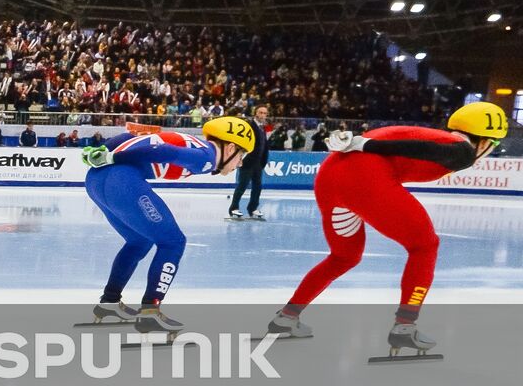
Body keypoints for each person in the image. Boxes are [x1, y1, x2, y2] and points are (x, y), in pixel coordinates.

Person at [267, 103, 510, 355]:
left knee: (344, 256)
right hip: (366, 177)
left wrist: (366, 144)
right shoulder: (463, 150)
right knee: (424, 246)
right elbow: (415, 148)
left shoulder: (441, 138)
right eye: (492, 146)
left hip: (330, 176)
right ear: (484, 141)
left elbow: (408, 146)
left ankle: (287, 316)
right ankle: (405, 327)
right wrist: (368, 145)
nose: (488, 153)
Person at [80, 117, 254, 334]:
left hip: (95, 181)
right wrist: (113, 156)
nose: (241, 163)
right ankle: (150, 313)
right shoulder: (207, 156)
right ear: (230, 148)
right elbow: (162, 152)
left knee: (139, 241)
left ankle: (110, 302)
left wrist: (101, 151)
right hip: (121, 181)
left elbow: (128, 137)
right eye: (242, 155)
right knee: (173, 242)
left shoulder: (197, 145)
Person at [228, 105, 271, 220]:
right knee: (242, 185)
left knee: (258, 187)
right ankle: (233, 208)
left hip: (258, 163)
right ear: (255, 113)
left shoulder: (263, 128)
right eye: (260, 112)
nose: (262, 115)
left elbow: (264, 146)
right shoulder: (249, 125)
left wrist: (263, 161)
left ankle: (252, 208)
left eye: (264, 113)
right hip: (247, 162)